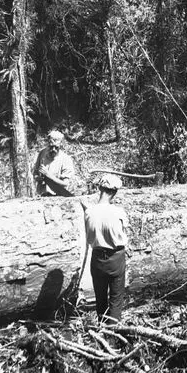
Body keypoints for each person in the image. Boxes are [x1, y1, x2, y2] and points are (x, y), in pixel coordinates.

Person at [81, 174, 128, 323]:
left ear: (100, 189)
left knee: (100, 300)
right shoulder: (119, 212)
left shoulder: (89, 212)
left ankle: (101, 328)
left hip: (97, 259)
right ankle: (112, 332)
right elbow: (123, 234)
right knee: (116, 298)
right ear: (114, 192)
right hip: (115, 258)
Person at [34, 130, 76, 197]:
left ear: (61, 145)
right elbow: (35, 173)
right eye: (51, 147)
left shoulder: (66, 159)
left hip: (58, 196)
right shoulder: (42, 154)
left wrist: (48, 175)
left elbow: (65, 183)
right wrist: (37, 178)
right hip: (42, 195)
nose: (53, 149)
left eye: (56, 147)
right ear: (48, 144)